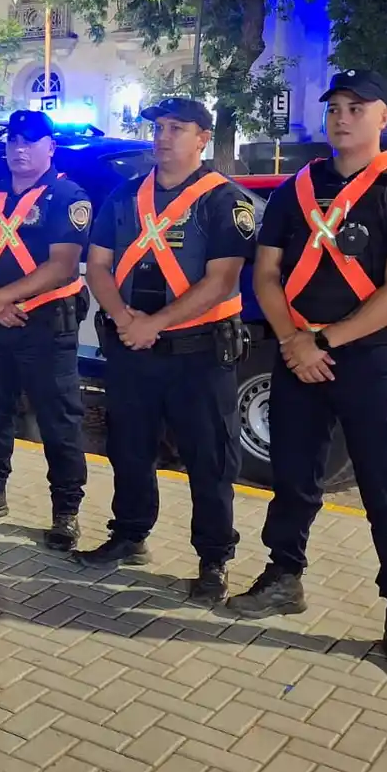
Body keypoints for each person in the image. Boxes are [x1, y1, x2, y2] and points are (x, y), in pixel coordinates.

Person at [228, 69, 387, 680]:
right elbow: (266, 272)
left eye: (356, 107)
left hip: (368, 360)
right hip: (299, 357)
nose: (342, 117)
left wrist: (322, 340)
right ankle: (283, 576)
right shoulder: (299, 187)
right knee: (293, 475)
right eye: (335, 107)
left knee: (385, 489)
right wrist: (296, 343)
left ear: (383, 117)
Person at [74, 97, 252, 603]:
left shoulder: (223, 200)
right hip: (134, 349)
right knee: (129, 448)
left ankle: (214, 558)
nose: (163, 136)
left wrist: (155, 323)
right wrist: (127, 319)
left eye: (177, 128)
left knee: (210, 460)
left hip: (198, 355)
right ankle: (129, 534)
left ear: (202, 138)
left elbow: (221, 281)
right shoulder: (124, 196)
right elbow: (100, 267)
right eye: (158, 128)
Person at [0, 109, 90, 549]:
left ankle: (66, 513)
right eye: (13, 141)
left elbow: (63, 265)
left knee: (58, 423)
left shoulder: (68, 196)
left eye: (30, 142)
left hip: (47, 327)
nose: (19, 149)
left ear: (50, 147)